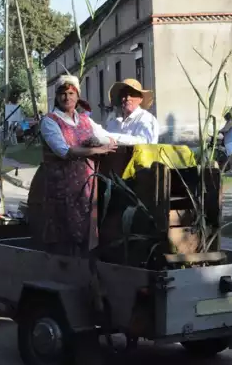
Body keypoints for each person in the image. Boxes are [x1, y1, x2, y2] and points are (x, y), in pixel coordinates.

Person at [38, 75, 118, 256]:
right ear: (57, 97)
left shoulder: (85, 120)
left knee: (87, 227)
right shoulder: (50, 121)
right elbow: (63, 151)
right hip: (62, 185)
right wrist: (96, 150)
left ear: (77, 96)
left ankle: (84, 266)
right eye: (63, 94)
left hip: (86, 184)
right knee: (65, 230)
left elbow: (105, 136)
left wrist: (104, 141)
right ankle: (64, 268)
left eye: (71, 93)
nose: (67, 98)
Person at [105, 78, 159, 144]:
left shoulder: (146, 118)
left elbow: (144, 142)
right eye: (124, 95)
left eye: (132, 94)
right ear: (120, 99)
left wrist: (113, 137)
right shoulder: (113, 123)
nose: (128, 98)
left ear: (140, 99)